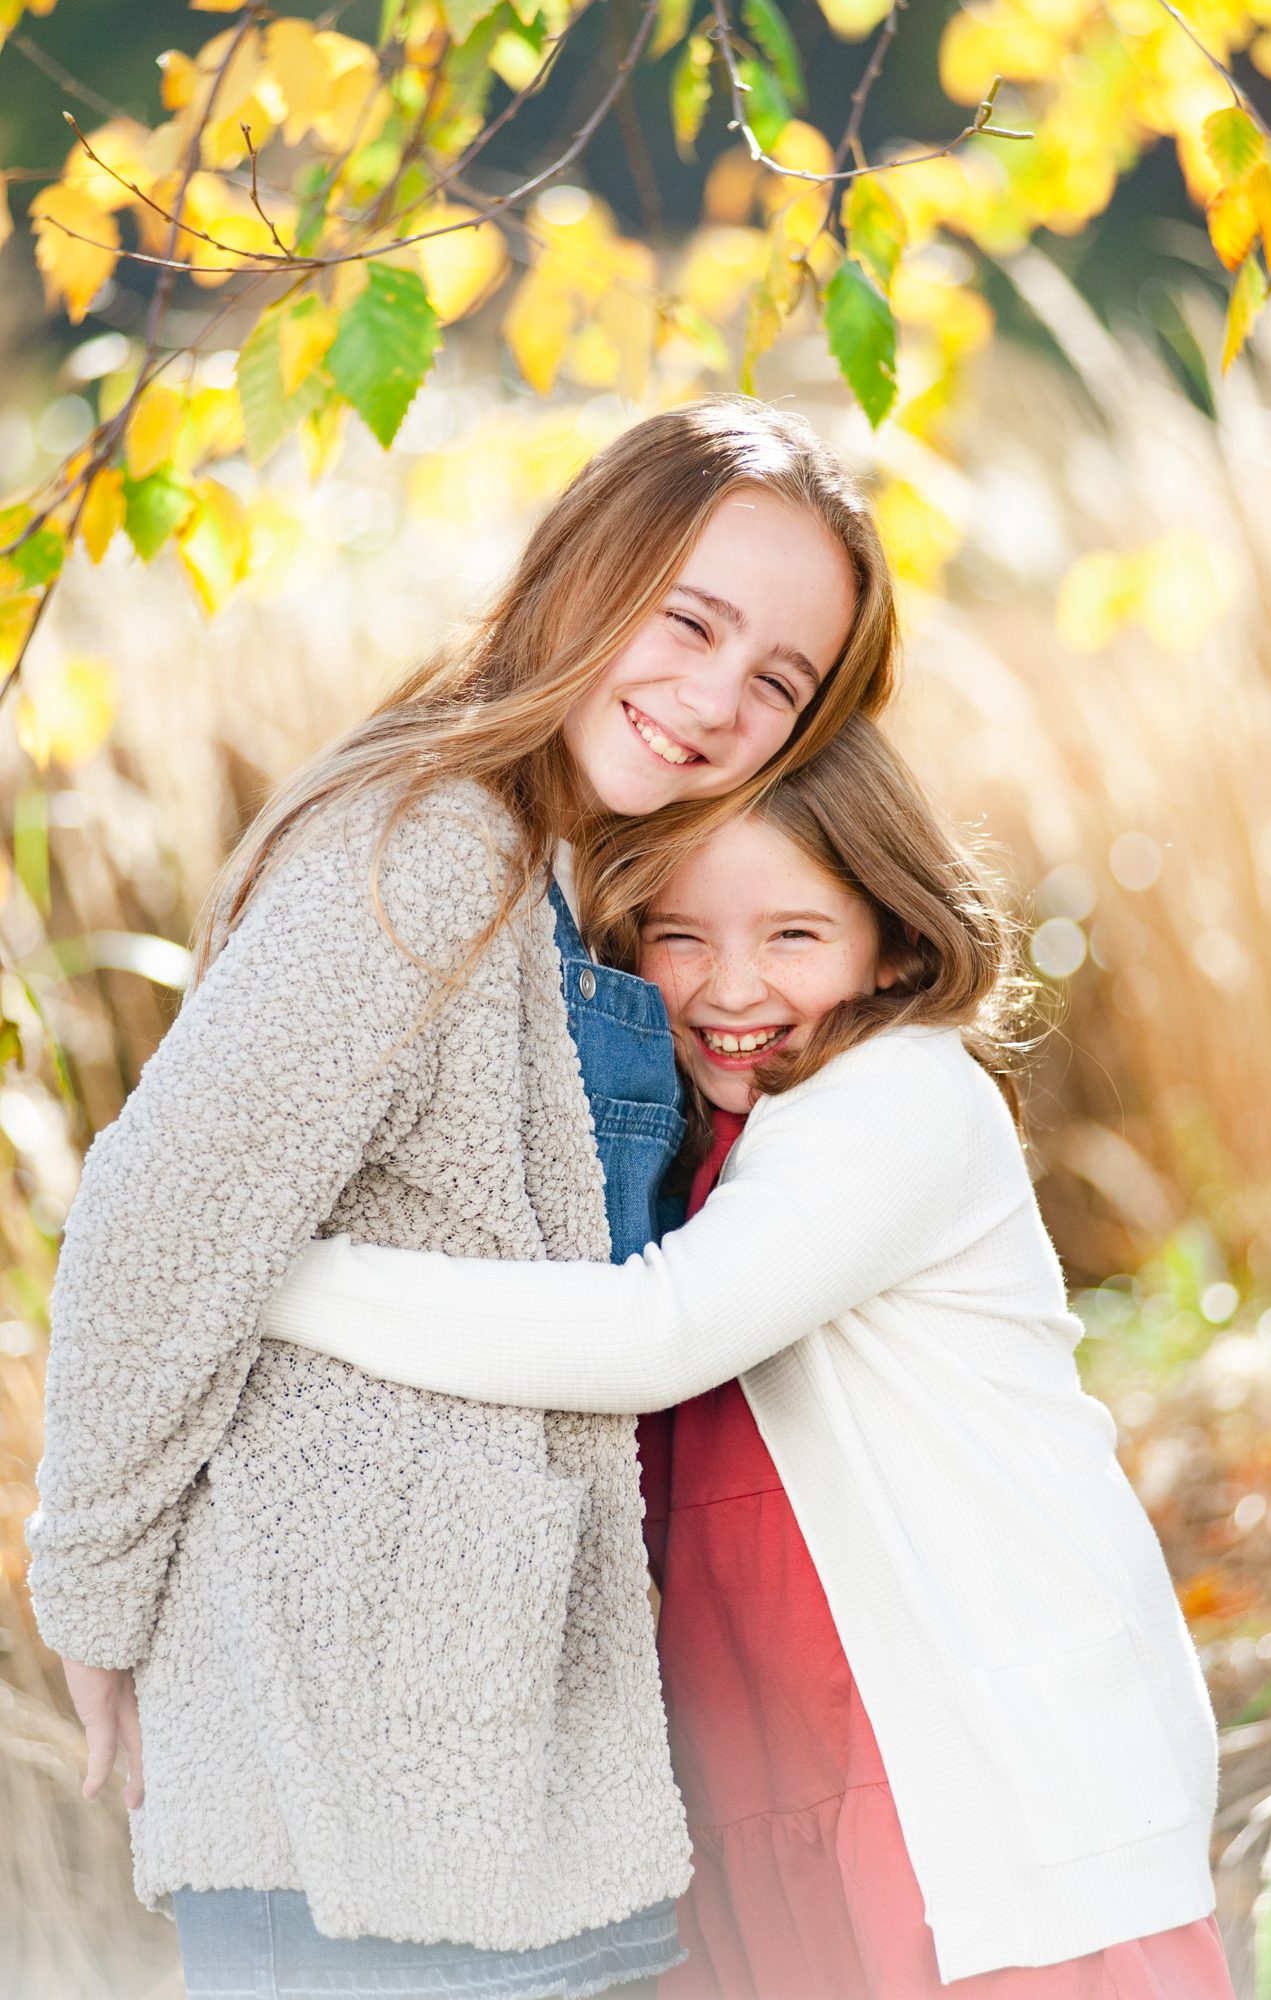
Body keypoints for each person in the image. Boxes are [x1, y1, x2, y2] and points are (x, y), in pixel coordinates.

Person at [25, 396, 899, 2000]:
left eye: (774, 681)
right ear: (582, 569)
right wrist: (94, 1595)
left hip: (527, 1762)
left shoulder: (574, 881)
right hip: (361, 1776)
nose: (712, 700)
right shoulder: (420, 845)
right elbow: (162, 1225)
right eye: (687, 619)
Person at [263, 717, 1237, 1998]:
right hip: (775, 1763)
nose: (731, 987)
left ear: (892, 934)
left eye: (792, 935)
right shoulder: (704, 1135)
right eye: (678, 935)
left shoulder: (898, 1095)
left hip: (965, 1767)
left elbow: (654, 1334)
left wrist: (277, 1273)